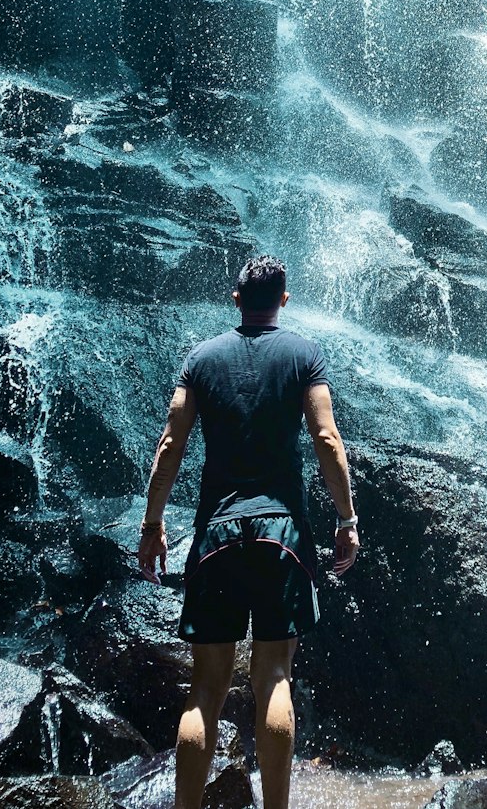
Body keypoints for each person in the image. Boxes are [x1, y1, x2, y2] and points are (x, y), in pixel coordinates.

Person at [137, 254, 359, 809]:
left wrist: (153, 523)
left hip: (215, 535)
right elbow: (327, 440)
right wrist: (347, 519)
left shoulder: (201, 359)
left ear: (236, 298)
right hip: (281, 535)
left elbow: (170, 445)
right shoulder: (304, 355)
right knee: (274, 679)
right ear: (284, 299)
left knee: (206, 689)